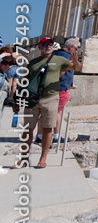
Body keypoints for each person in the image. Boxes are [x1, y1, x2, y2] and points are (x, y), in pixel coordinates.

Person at [16, 37, 81, 169]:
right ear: (39, 47)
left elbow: (76, 68)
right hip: (32, 98)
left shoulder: (59, 59)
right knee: (28, 129)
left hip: (50, 97)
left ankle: (43, 158)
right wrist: (17, 100)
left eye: (50, 44)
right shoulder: (32, 62)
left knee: (47, 128)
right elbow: (25, 82)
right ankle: (23, 158)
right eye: (44, 44)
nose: (48, 46)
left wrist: (76, 61)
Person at [51, 37, 80, 144]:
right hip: (61, 87)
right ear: (71, 47)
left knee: (52, 111)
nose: (76, 51)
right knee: (57, 112)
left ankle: (42, 135)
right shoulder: (65, 56)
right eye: (76, 48)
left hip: (58, 86)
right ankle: (56, 136)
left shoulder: (56, 54)